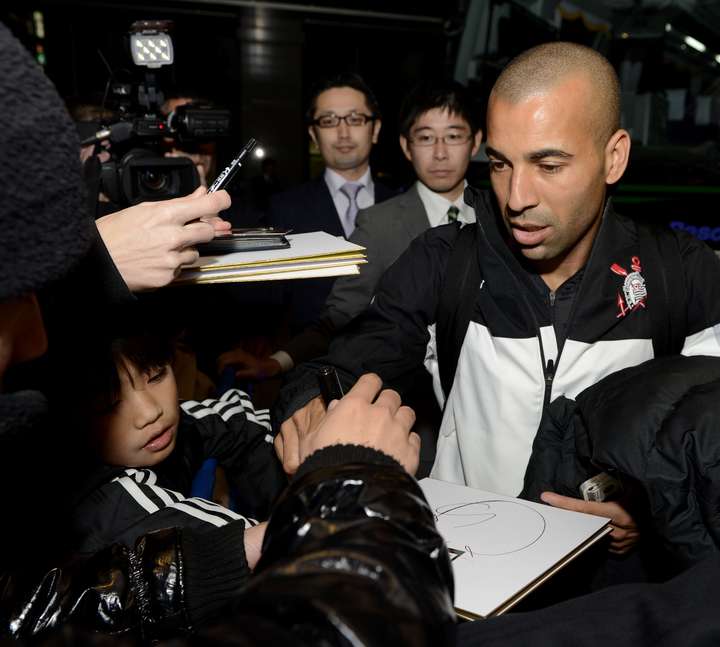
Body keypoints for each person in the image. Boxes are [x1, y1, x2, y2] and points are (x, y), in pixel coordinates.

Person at [0, 23, 452, 642]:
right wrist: (349, 477)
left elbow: (226, 418)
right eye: (19, 297)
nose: (33, 341)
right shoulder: (96, 494)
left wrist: (298, 413)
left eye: (154, 375)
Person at [274, 42, 720, 556]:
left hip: (611, 597)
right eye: (500, 164)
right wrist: (307, 403)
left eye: (549, 165)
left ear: (614, 156)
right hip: (467, 575)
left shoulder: (678, 271)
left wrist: (653, 503)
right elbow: (346, 362)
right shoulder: (446, 262)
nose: (517, 198)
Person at [219, 80, 482, 389]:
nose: (440, 153)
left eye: (453, 136)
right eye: (426, 138)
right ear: (406, 145)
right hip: (393, 390)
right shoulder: (376, 222)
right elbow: (336, 316)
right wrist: (277, 360)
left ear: (475, 142)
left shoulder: (499, 215)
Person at [53, 308, 285, 558]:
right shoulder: (113, 505)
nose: (150, 411)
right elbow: (280, 547)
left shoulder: (166, 428)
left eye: (156, 376)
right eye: (111, 404)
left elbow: (234, 420)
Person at [263, 72, 397, 331]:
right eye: (329, 121)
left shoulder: (405, 206)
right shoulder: (284, 209)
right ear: (313, 134)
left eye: (355, 119)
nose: (343, 132)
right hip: (311, 361)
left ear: (376, 129)